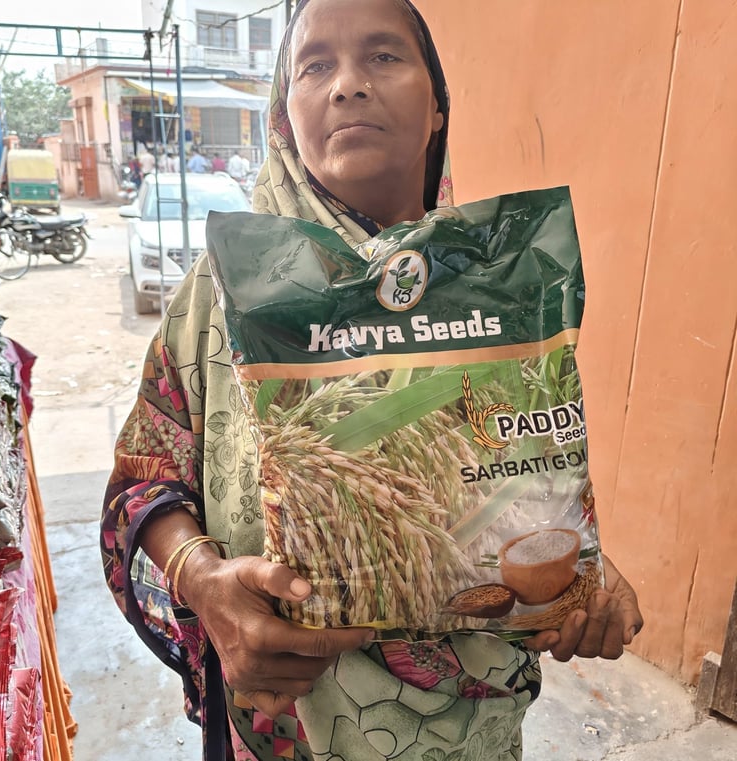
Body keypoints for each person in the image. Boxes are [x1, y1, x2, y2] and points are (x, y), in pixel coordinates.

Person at [100, 1, 643, 759]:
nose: (347, 84)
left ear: (438, 105)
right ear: (284, 117)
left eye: (384, 56)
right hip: (277, 733)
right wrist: (200, 579)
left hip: (466, 732)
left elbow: (510, 483)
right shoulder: (218, 296)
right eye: (314, 65)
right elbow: (141, 482)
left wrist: (580, 577)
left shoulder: (504, 298)